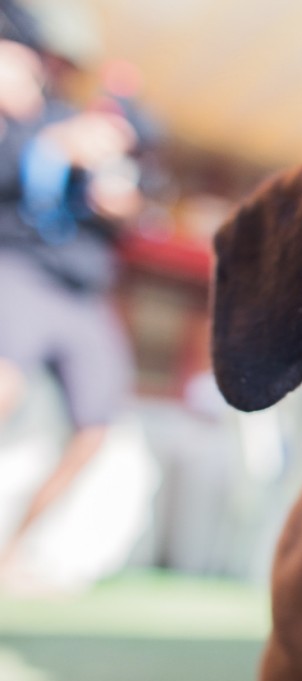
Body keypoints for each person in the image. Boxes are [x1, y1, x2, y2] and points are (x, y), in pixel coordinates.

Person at [0, 34, 140, 585]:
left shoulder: (73, 117)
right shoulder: (19, 137)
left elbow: (127, 200)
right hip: (19, 272)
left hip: (83, 292)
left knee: (94, 432)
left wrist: (118, 198)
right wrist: (52, 150)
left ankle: (10, 551)